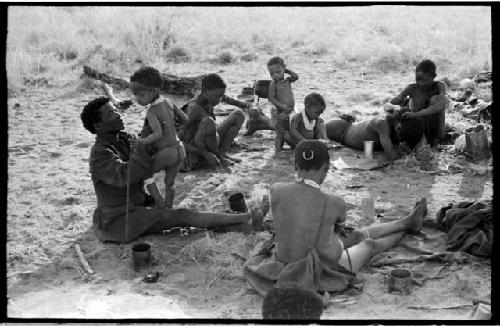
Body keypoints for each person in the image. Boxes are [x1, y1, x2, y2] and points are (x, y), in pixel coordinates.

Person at [243, 140, 427, 295]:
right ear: (327, 167)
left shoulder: (276, 189)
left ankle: (407, 221)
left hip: (282, 261)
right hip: (320, 268)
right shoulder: (335, 202)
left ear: (295, 166)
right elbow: (339, 230)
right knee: (366, 243)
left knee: (353, 235)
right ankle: (407, 226)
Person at [80, 97, 269, 243]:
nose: (118, 115)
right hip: (119, 218)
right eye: (111, 114)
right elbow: (125, 177)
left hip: (137, 205)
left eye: (116, 111)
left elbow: (151, 157)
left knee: (181, 218)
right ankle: (247, 217)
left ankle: (244, 225)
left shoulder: (123, 139)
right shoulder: (100, 154)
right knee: (181, 216)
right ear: (98, 126)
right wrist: (142, 149)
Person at [129, 66, 187, 208]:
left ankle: (160, 206)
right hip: (180, 148)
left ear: (154, 90)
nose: (137, 99)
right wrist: (177, 130)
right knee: (170, 183)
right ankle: (169, 206)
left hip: (167, 152)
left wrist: (140, 142)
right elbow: (185, 119)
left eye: (140, 95)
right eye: (135, 95)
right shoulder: (168, 102)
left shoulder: (151, 111)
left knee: (146, 175)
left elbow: (158, 134)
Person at [180, 73, 254, 171]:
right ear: (205, 91)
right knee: (208, 122)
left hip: (211, 140)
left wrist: (249, 106)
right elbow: (177, 141)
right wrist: (204, 153)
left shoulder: (213, 97)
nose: (219, 100)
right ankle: (218, 156)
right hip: (196, 149)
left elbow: (228, 99)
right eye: (217, 96)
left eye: (221, 96)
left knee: (238, 115)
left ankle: (222, 153)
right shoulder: (194, 108)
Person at [389, 59, 449, 148]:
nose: (420, 83)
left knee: (436, 99)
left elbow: (442, 104)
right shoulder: (412, 88)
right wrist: (394, 106)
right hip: (417, 127)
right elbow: (395, 101)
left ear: (433, 77)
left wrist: (416, 114)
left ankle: (437, 138)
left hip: (434, 126)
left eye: (425, 80)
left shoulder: (439, 86)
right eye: (418, 79)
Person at [325, 114, 425, 161]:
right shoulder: (382, 124)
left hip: (351, 131)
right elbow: (392, 156)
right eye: (400, 137)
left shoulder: (403, 126)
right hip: (340, 130)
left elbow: (419, 136)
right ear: (398, 127)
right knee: (312, 133)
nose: (400, 140)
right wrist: (406, 152)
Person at [267, 56, 299, 157]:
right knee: (280, 131)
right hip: (281, 111)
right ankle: (277, 151)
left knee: (287, 129)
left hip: (289, 111)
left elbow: (296, 76)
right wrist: (284, 107)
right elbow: (272, 99)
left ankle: (285, 146)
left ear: (283, 69)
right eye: (271, 73)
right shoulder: (273, 85)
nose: (275, 75)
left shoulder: (287, 81)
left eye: (278, 72)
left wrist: (287, 70)